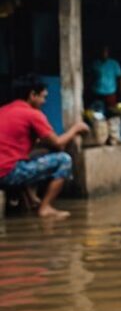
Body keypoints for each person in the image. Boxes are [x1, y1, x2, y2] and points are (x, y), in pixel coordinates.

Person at [0, 75, 89, 218]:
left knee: (28, 158)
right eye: (42, 97)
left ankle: (31, 200)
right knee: (64, 160)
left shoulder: (4, 110)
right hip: (8, 173)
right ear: (32, 95)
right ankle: (45, 207)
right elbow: (58, 144)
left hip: (5, 168)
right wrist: (76, 129)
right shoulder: (32, 114)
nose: (44, 101)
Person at [91, 45, 121, 111]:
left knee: (111, 111)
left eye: (105, 51)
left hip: (110, 92)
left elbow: (120, 78)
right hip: (97, 92)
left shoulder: (114, 63)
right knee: (97, 112)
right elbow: (91, 77)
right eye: (102, 51)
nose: (103, 53)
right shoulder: (95, 63)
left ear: (108, 53)